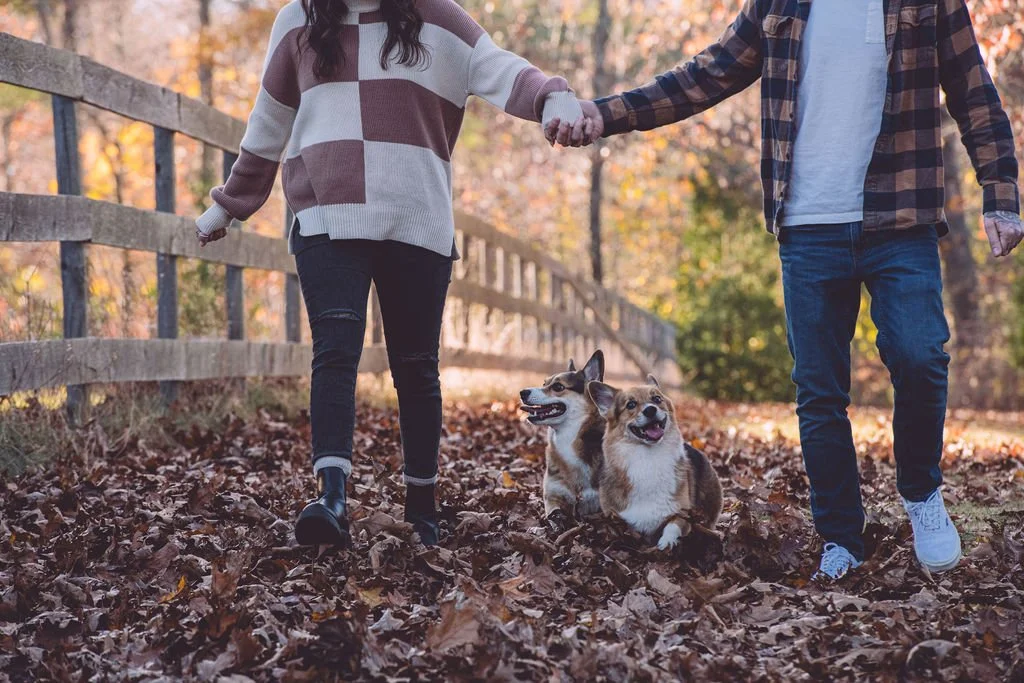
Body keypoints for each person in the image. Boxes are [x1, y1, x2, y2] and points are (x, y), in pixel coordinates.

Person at [549, 0, 1023, 580]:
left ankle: (922, 494)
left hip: (900, 218)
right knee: (819, 392)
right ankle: (841, 538)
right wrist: (605, 114)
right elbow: (706, 75)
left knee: (921, 355)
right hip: (807, 228)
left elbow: (974, 91)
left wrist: (1000, 189)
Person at [195, 0, 592, 547]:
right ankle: (331, 499)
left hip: (417, 217)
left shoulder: (438, 17)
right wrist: (232, 203)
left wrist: (553, 95)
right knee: (335, 353)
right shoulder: (299, 21)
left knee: (416, 367)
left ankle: (422, 508)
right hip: (326, 215)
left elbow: (501, 69)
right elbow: (268, 121)